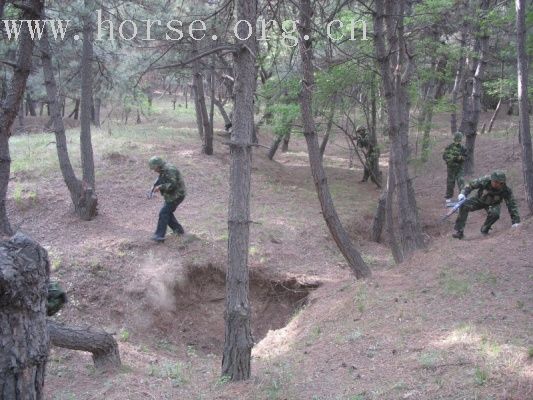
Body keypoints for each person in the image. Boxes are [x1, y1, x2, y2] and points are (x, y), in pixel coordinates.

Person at [452, 170, 520, 239]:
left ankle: (485, 230)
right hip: (479, 200)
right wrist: (463, 193)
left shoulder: (506, 190)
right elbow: (471, 185)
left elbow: (512, 205)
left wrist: (516, 221)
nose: (498, 184)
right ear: (491, 180)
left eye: (501, 183)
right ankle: (459, 232)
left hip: (494, 204)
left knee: (495, 214)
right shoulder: (485, 180)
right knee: (464, 205)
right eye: (495, 182)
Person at [148, 156, 186, 242]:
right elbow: (161, 178)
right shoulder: (163, 169)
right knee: (166, 213)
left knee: (163, 213)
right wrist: (154, 186)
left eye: (154, 168)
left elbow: (173, 184)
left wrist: (160, 187)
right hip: (171, 195)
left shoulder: (170, 169)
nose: (154, 170)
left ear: (158, 165)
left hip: (177, 195)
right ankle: (178, 231)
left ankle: (159, 235)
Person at [443, 132, 467, 203]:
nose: (458, 141)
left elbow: (465, 157)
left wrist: (460, 158)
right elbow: (444, 156)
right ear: (455, 139)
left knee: (461, 181)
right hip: (451, 168)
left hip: (459, 168)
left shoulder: (463, 148)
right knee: (450, 182)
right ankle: (448, 197)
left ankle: (462, 196)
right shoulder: (449, 147)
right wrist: (451, 159)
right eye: (457, 139)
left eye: (459, 140)